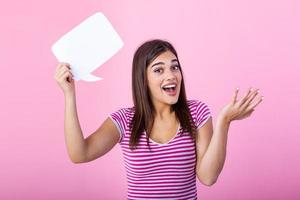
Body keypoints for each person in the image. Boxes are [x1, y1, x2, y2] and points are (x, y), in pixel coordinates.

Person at [54, 39, 263, 199]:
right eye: (159, 70)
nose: (171, 75)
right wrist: (69, 95)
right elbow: (79, 154)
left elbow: (208, 177)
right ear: (143, 79)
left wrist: (224, 121)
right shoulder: (125, 121)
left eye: (175, 67)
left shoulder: (197, 113)